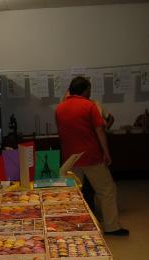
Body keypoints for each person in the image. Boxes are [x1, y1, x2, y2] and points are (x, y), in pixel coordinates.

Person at [55, 76, 129, 236]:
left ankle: (75, 226)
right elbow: (100, 131)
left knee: (74, 194)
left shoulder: (59, 108)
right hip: (91, 156)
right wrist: (106, 153)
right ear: (85, 90)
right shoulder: (89, 106)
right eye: (89, 89)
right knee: (106, 190)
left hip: (70, 159)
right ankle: (112, 227)